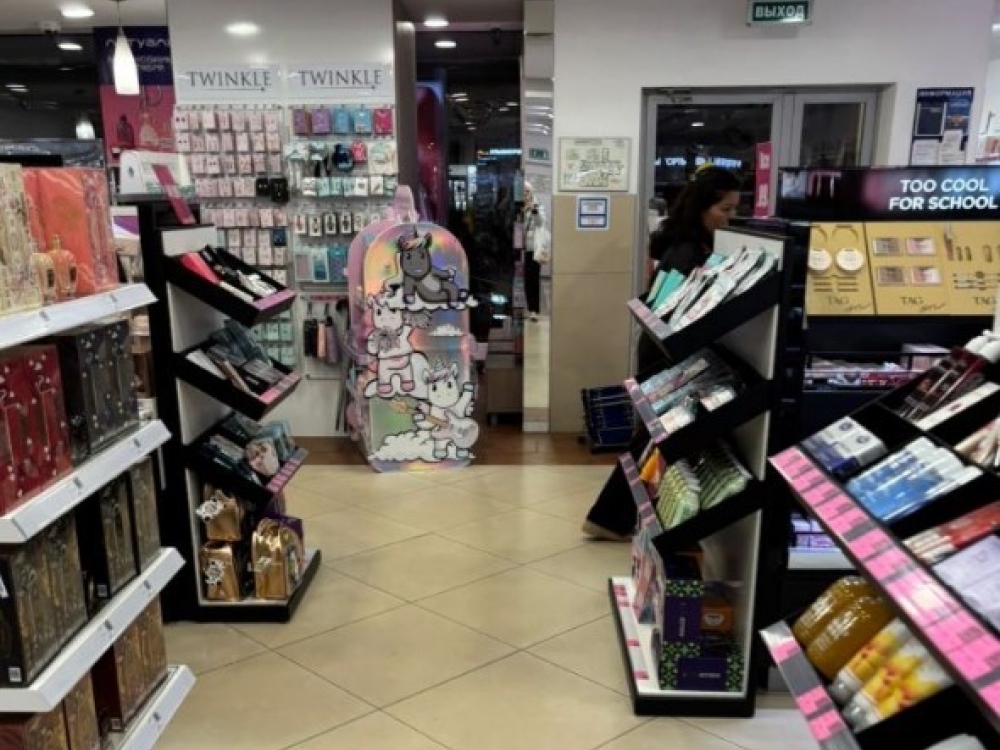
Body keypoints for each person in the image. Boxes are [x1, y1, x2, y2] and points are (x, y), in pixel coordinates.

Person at [582, 165, 742, 541]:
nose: (731, 218)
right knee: (652, 438)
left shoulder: (693, 244)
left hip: (665, 351)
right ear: (702, 207)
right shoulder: (688, 251)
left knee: (653, 438)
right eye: (725, 209)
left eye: (736, 209)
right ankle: (608, 518)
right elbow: (677, 310)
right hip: (667, 355)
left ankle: (614, 517)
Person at [521, 182, 548, 321]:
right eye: (523, 191)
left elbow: (541, 222)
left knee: (533, 280)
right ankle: (525, 308)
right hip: (519, 249)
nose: (525, 194)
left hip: (533, 249)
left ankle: (534, 310)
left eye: (527, 191)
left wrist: (533, 210)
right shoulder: (518, 206)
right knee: (524, 280)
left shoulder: (537, 206)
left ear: (531, 192)